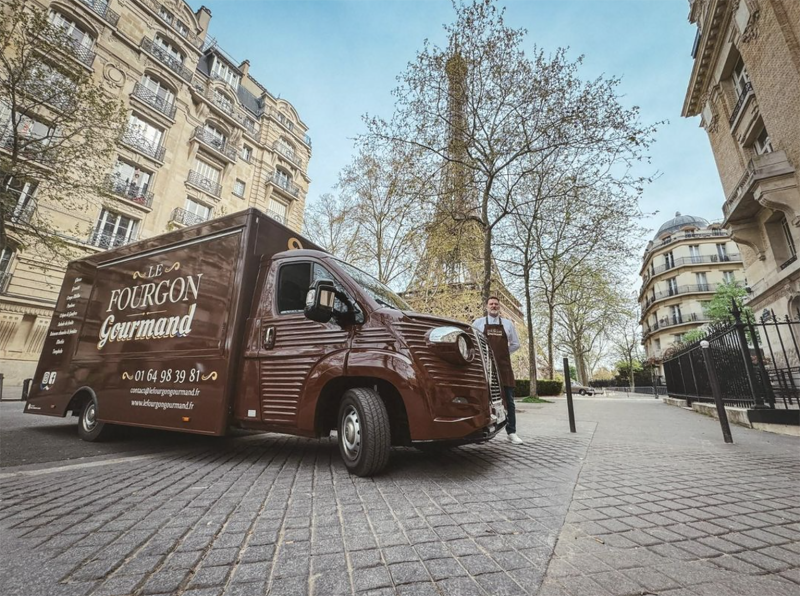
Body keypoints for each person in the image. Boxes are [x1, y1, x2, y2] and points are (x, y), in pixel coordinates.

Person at [472, 296, 523, 445]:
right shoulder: (478, 323)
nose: (494, 306)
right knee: (483, 400)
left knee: (509, 400)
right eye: (491, 304)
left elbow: (515, 344)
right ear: (487, 306)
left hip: (503, 366)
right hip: (485, 367)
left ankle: (512, 432)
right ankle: (482, 432)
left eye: (496, 304)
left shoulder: (508, 324)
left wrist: (503, 353)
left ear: (499, 307)